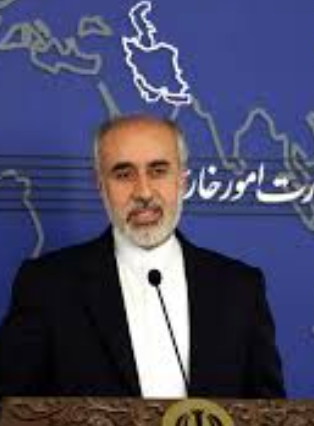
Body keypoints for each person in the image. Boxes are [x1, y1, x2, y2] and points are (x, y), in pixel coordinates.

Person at [0, 114, 285, 398]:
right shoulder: (46, 286)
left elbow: (269, 411)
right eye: (124, 174)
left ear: (182, 180)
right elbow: (13, 409)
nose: (144, 192)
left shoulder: (240, 288)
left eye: (158, 171)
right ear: (100, 185)